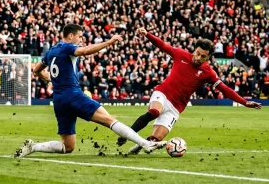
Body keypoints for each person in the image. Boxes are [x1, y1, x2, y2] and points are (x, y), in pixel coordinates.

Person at [15, 24, 166, 158]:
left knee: (68, 147)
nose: (80, 40)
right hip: (73, 96)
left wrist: (46, 77)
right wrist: (109, 42)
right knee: (109, 119)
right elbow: (85, 51)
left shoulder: (51, 52)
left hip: (59, 101)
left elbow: (36, 69)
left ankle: (33, 147)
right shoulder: (67, 47)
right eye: (79, 37)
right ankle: (145, 144)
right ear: (71, 36)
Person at [118, 28, 262, 154]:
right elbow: (163, 45)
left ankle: (140, 145)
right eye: (197, 53)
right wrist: (147, 34)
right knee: (155, 112)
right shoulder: (180, 55)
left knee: (157, 139)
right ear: (194, 50)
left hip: (176, 107)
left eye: (203, 56)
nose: (198, 58)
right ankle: (127, 134)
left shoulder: (208, 72)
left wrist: (244, 102)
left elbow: (224, 89)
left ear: (208, 57)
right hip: (163, 93)